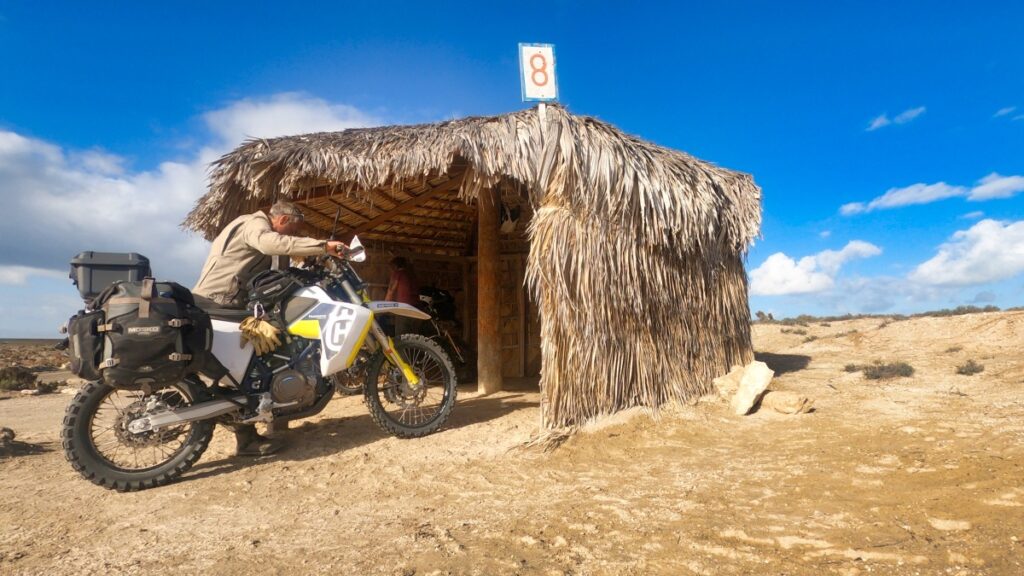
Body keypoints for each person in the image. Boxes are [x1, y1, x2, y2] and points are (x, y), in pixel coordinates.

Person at [193, 200, 346, 457]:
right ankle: (250, 437)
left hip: (224, 299)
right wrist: (322, 245)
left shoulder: (254, 227)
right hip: (222, 300)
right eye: (293, 230)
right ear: (283, 220)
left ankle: (278, 409)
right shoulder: (254, 223)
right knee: (255, 361)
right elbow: (270, 243)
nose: (293, 236)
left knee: (263, 353)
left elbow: (281, 266)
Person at [384, 256, 420, 337]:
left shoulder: (397, 274)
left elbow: (391, 290)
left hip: (404, 307)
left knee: (401, 335)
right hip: (416, 307)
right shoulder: (411, 274)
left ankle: (400, 349)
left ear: (395, 266)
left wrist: (384, 306)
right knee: (413, 335)